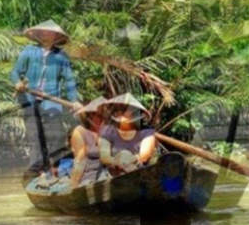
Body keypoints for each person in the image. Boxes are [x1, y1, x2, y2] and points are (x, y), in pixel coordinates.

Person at [11, 20, 83, 180]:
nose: (45, 35)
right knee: (35, 137)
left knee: (55, 136)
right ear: (38, 35)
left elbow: (69, 80)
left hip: (52, 101)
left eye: (49, 32)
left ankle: (57, 169)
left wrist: (75, 100)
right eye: (42, 32)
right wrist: (18, 83)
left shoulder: (61, 56)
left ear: (56, 36)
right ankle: (37, 171)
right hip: (29, 99)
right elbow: (15, 72)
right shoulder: (29, 51)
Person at [99, 93, 157, 175]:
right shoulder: (107, 130)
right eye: (120, 109)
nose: (121, 112)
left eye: (126, 109)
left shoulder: (146, 131)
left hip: (138, 172)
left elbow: (145, 154)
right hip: (113, 174)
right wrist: (117, 162)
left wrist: (130, 159)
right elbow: (104, 157)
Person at [68, 96, 108, 188]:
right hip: (90, 178)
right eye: (99, 115)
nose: (102, 119)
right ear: (90, 116)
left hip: (107, 174)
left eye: (103, 115)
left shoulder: (105, 132)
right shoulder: (80, 131)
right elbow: (79, 162)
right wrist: (73, 187)